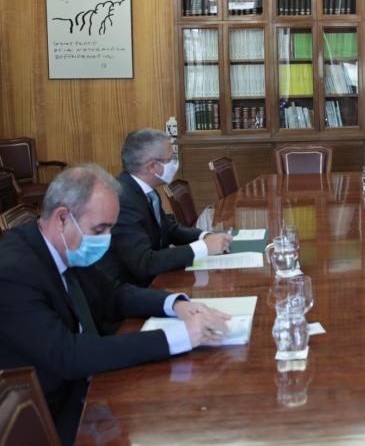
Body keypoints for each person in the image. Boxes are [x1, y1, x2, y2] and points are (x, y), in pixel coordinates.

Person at [0, 165, 230, 446]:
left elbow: (113, 294)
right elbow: (69, 355)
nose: (106, 239)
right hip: (53, 416)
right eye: (100, 229)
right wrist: (182, 336)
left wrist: (176, 305)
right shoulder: (12, 272)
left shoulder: (61, 244)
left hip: (92, 386)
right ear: (62, 218)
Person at [99, 128, 232, 287]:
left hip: (156, 281)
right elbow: (145, 263)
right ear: (153, 166)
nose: (175, 164)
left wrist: (205, 236)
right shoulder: (123, 200)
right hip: (132, 293)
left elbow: (168, 229)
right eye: (170, 159)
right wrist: (202, 249)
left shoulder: (143, 190)